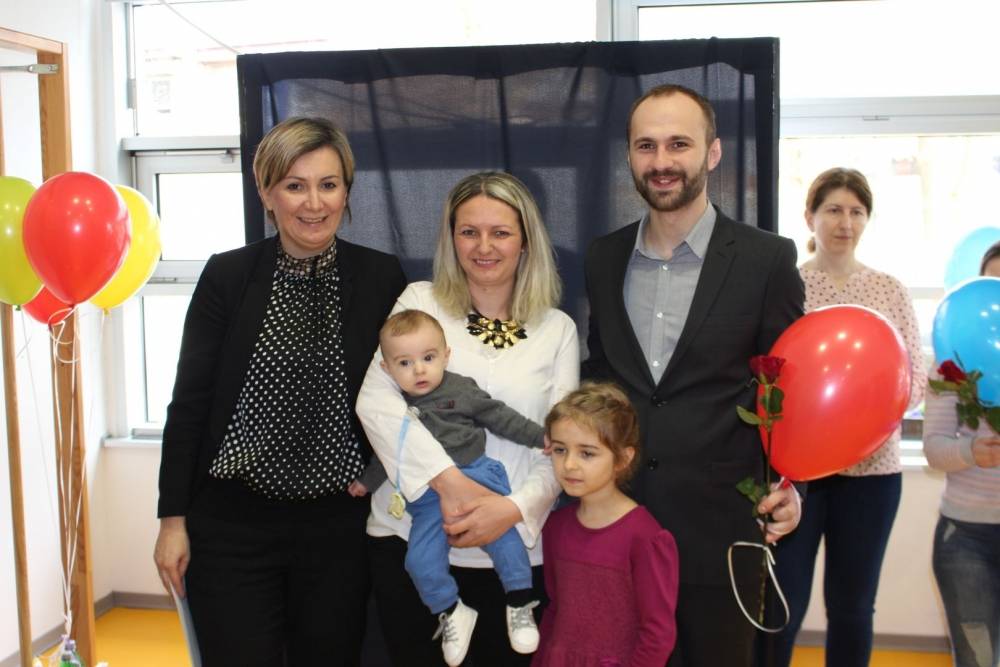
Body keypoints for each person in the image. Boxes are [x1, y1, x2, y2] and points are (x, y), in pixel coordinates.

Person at [152, 117, 406, 666]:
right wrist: (172, 520)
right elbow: (189, 404)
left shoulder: (381, 278)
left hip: (338, 529)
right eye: (295, 185)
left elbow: (407, 396)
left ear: (346, 192)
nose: (314, 203)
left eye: (328, 184)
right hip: (232, 528)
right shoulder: (227, 277)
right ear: (266, 194)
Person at [582, 83, 805, 667]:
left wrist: (792, 487)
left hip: (723, 535)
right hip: (617, 526)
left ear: (712, 152)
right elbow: (601, 378)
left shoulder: (767, 260)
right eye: (646, 146)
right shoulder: (603, 258)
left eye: (678, 144)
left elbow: (789, 390)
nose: (662, 161)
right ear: (629, 156)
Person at [356, 171, 579, 666]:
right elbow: (376, 403)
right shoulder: (419, 302)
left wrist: (511, 509)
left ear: (525, 240)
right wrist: (451, 483)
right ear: (451, 238)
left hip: (515, 551)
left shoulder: (557, 329)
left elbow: (559, 443)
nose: (484, 247)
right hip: (410, 539)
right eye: (469, 232)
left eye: (500, 232)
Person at [766, 167, 927, 666]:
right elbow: (767, 373)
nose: (845, 222)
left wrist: (865, 418)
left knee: (853, 606)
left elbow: (916, 380)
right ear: (809, 217)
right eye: (834, 209)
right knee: (783, 602)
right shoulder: (787, 285)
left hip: (872, 476)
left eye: (857, 212)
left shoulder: (889, 289)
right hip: (798, 477)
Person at [352, 309, 545, 665]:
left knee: (505, 540)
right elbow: (388, 453)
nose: (419, 370)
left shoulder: (461, 389)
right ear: (387, 369)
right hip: (427, 501)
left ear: (446, 355)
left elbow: (501, 417)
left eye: (428, 358)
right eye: (405, 363)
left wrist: (540, 437)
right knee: (418, 560)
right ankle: (452, 610)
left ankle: (519, 603)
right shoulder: (395, 405)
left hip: (478, 479)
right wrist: (366, 482)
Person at [532, 382, 678, 666]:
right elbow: (555, 610)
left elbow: (657, 636)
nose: (569, 464)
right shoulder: (555, 526)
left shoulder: (645, 537)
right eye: (560, 450)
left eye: (587, 453)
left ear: (623, 458)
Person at [924, 242, 1000, 667]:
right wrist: (972, 451)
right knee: (977, 660)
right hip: (965, 539)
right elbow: (934, 449)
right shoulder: (951, 362)